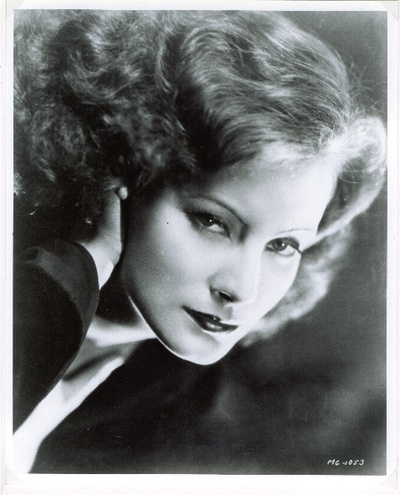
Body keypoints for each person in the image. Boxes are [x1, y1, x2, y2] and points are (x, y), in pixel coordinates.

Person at [13, 10, 386, 473]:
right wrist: (72, 274)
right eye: (212, 221)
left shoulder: (171, 396)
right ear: (117, 171)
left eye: (283, 246)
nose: (242, 290)